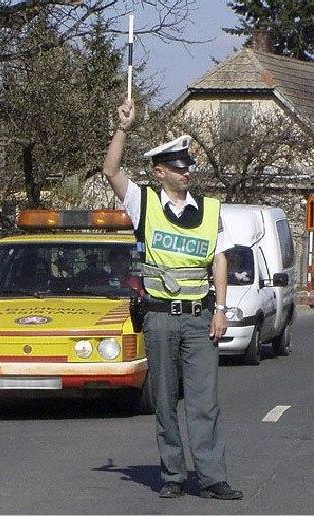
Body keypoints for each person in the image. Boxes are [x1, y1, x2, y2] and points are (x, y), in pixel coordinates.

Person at [101, 99, 241, 501]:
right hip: (160, 317)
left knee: (204, 402)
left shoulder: (211, 210)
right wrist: (123, 129)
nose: (187, 172)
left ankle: (213, 477)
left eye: (189, 166)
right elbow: (110, 171)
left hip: (200, 318)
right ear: (160, 171)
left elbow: (220, 258)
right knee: (165, 401)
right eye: (179, 167)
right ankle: (173, 473)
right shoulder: (143, 202)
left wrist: (222, 310)